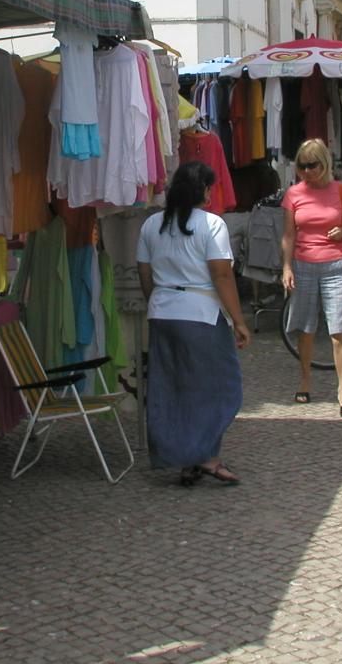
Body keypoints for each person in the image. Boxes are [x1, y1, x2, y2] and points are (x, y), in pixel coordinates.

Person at [137, 161, 252, 486]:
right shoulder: (212, 224)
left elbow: (144, 274)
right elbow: (221, 274)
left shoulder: (151, 226)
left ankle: (187, 457)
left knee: (175, 387)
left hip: (163, 311)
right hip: (200, 313)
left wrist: (158, 302)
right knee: (219, 386)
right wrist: (238, 320)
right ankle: (207, 457)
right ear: (202, 190)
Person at [281, 138, 342, 415]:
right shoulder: (294, 193)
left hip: (335, 266)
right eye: (302, 166)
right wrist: (286, 267)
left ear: (324, 164)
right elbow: (289, 234)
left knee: (338, 329)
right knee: (306, 328)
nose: (306, 171)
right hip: (303, 264)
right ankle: (305, 379)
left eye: (311, 166)